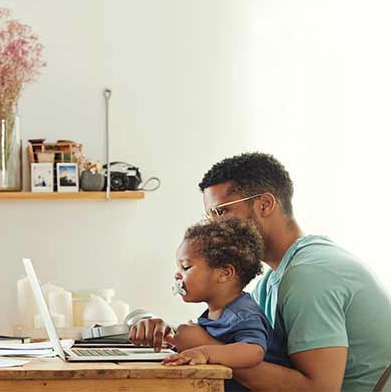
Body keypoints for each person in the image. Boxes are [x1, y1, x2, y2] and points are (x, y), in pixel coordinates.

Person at [129, 152, 391, 391]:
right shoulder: (271, 281)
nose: (214, 227)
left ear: (265, 204)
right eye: (210, 217)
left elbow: (318, 390)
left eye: (221, 212)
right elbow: (250, 344)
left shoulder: (310, 276)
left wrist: (206, 349)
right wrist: (171, 334)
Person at [161, 218, 291, 391]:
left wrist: (204, 352)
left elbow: (254, 351)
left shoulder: (243, 313)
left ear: (224, 273)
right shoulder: (216, 312)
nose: (178, 275)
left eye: (186, 267)